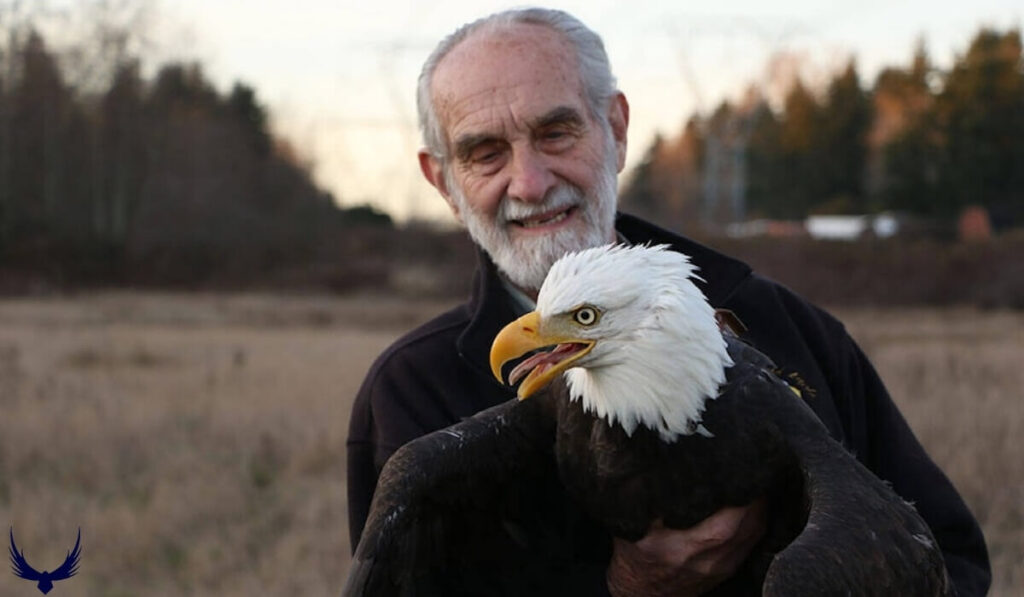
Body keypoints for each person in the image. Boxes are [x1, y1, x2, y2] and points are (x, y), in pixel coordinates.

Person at [346, 8, 990, 596]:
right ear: (443, 181)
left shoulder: (795, 330)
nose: (531, 182)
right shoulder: (410, 394)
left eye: (557, 133)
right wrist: (628, 589)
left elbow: (952, 565)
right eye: (485, 153)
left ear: (617, 130)